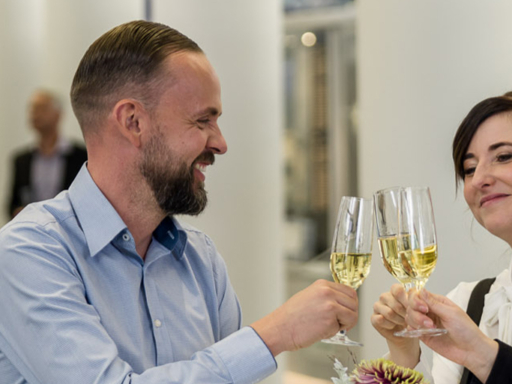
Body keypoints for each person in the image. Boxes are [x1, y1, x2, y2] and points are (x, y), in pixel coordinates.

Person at [0, 20, 359, 384]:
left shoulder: (201, 259)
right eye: (203, 120)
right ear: (133, 121)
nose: (220, 143)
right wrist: (275, 334)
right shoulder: (28, 252)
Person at [371, 93, 512, 384]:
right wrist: (404, 354)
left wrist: (483, 355)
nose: (478, 179)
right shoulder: (469, 304)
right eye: (469, 169)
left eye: (504, 156)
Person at [6, 89, 87, 219]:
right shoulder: (21, 160)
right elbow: (12, 203)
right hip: (32, 230)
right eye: (32, 109)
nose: (35, 114)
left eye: (41, 109)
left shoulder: (81, 156)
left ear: (58, 114)